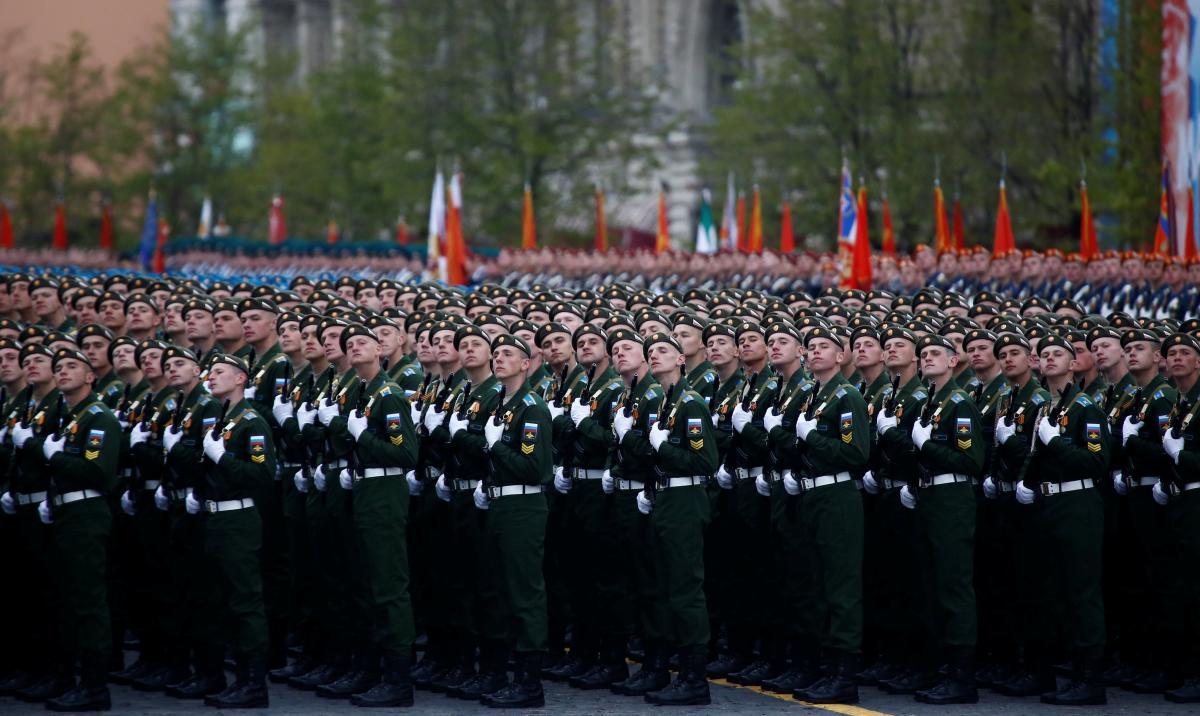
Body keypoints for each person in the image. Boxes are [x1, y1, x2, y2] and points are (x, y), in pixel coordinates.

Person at [24, 348, 121, 711]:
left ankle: (95, 685)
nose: (62, 372)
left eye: (72, 367)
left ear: (91, 376)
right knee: (63, 596)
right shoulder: (70, 418)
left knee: (87, 601)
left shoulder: (98, 418)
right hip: (65, 510)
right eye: (59, 367)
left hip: (86, 513)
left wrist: (51, 455)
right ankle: (68, 676)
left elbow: (98, 472)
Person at [1020, 333, 1110, 705]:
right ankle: (1063, 673)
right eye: (1045, 355)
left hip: (1078, 501)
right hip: (1051, 504)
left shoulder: (1086, 407)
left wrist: (1055, 441)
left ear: (1073, 364)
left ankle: (1090, 680)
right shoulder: (1047, 408)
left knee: (1082, 593)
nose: (1050, 359)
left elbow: (1096, 462)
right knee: (1054, 591)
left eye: (1059, 354)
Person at [899, 334, 985, 704]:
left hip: (952, 497)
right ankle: (940, 669)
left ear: (954, 361)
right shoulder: (932, 402)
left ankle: (962, 677)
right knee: (931, 585)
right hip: (930, 494)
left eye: (936, 354)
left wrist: (926, 445)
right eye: (924, 355)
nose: (928, 359)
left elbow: (970, 461)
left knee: (953, 585)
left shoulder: (959, 402)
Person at [636, 331, 719, 706]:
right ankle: (679, 669)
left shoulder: (690, 402)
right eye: (651, 351)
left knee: (686, 590)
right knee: (669, 586)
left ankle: (694, 677)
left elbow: (704, 462)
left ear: (681, 359)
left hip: (685, 497)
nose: (655, 356)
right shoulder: (669, 402)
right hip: (668, 496)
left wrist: (663, 447)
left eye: (664, 351)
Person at [475, 333, 553, 708]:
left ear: (526, 364)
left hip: (524, 507)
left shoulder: (531, 407)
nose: (498, 359)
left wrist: (497, 446)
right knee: (500, 591)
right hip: (500, 503)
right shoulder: (497, 401)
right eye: (496, 354)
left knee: (525, 593)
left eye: (508, 354)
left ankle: (529, 682)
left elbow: (535, 467)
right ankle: (503, 672)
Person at [197, 353, 276, 708]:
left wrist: (222, 457)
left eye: (219, 372)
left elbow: (261, 475)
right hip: (216, 518)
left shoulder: (250, 421)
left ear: (241, 378)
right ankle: (231, 678)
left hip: (239, 519)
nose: (211, 378)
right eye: (209, 372)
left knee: (245, 601)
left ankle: (253, 682)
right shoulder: (221, 420)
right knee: (219, 600)